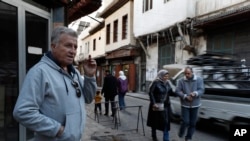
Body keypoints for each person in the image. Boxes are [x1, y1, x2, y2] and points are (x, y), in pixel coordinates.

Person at [13, 26, 97, 141]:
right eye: (68, 45)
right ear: (53, 46)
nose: (73, 51)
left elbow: (88, 98)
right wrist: (58, 130)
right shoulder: (39, 72)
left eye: (75, 47)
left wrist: (89, 76)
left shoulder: (75, 73)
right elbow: (22, 112)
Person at [175, 66, 204, 141]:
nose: (187, 75)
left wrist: (195, 93)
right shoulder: (181, 80)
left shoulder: (199, 79)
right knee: (185, 121)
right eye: (185, 73)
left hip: (195, 105)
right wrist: (185, 96)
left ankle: (188, 137)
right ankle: (180, 134)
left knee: (193, 123)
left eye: (188, 73)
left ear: (192, 72)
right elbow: (177, 91)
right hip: (185, 104)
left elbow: (201, 90)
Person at [147, 69, 174, 141]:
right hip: (157, 105)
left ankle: (166, 139)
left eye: (167, 76)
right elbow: (151, 93)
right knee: (155, 122)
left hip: (166, 106)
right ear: (161, 75)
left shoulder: (167, 83)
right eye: (165, 76)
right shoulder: (156, 82)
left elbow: (170, 92)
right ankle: (154, 135)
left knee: (166, 123)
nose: (166, 77)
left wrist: (181, 93)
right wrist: (154, 103)